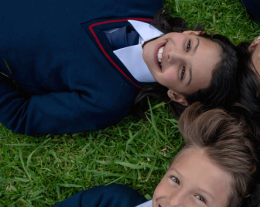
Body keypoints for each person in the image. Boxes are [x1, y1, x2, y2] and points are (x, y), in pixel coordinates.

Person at [0, 102, 259, 207]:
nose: (175, 201)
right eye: (175, 180)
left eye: (200, 198)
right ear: (167, 170)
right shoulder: (111, 202)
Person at [0, 0, 238, 135]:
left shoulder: (106, 102)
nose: (173, 54)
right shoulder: (143, 2)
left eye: (184, 72)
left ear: (178, 96)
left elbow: (22, 115)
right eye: (188, 45)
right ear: (193, 33)